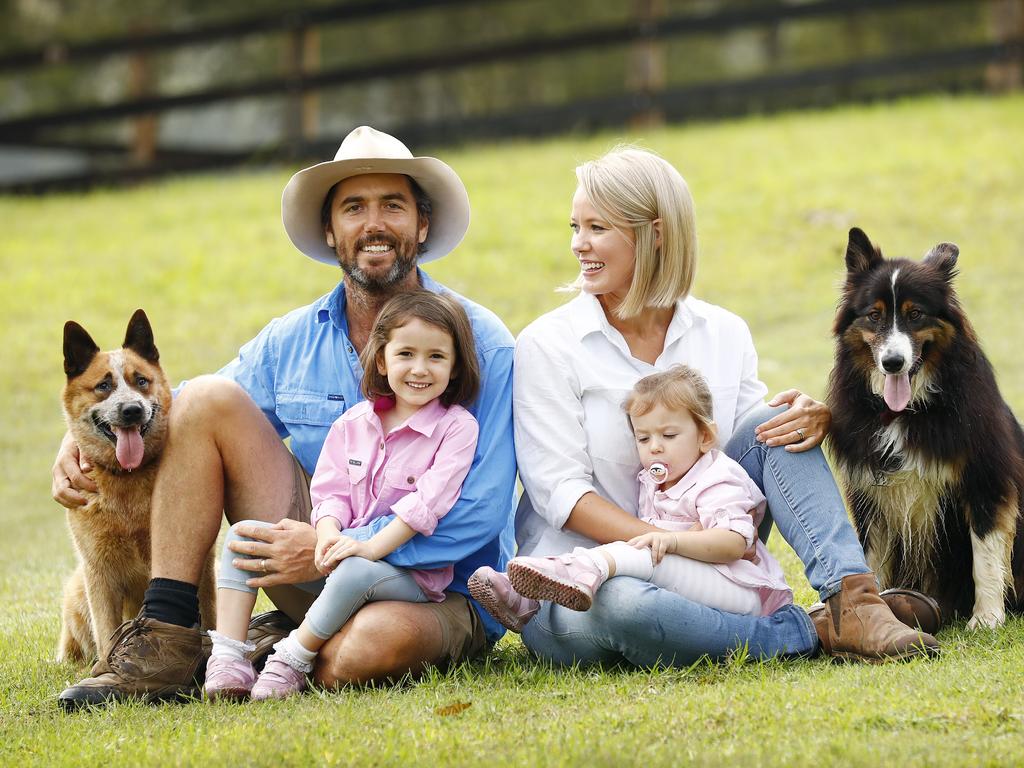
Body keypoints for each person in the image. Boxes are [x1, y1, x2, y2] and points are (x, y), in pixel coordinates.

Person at [51, 126, 517, 709]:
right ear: (331, 231)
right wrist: (75, 441)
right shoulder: (292, 340)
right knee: (209, 398)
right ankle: (169, 642)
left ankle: (277, 645)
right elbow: (181, 408)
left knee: (353, 657)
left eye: (393, 205)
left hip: (435, 590)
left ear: (421, 225)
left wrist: (340, 544)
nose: (374, 223)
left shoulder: (483, 343)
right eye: (353, 207)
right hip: (316, 567)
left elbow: (483, 513)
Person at [472, 146, 940, 667]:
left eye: (597, 228)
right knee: (627, 606)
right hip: (581, 581)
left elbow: (750, 462)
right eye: (574, 227)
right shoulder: (549, 344)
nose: (579, 245)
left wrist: (813, 417)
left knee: (773, 425)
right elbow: (561, 494)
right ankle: (814, 631)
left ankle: (854, 600)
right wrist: (664, 546)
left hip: (706, 563)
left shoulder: (722, 332)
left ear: (655, 233)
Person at [205, 291, 481, 700]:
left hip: (410, 578)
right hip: (342, 557)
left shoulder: (456, 428)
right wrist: (329, 534)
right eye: (406, 354)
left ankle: (291, 658)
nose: (420, 369)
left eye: (436, 357)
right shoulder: (354, 422)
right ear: (382, 360)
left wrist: (367, 549)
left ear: (455, 366)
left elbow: (424, 506)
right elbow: (331, 492)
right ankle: (228, 658)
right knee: (244, 536)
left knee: (353, 570)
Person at [473, 365, 792, 630]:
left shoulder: (717, 478)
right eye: (643, 437)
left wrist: (671, 541)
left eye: (668, 436)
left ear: (705, 436)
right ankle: (530, 598)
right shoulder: (653, 482)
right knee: (634, 562)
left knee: (642, 552)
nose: (654, 446)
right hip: (693, 582)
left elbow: (735, 543)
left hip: (740, 589)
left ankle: (573, 573)